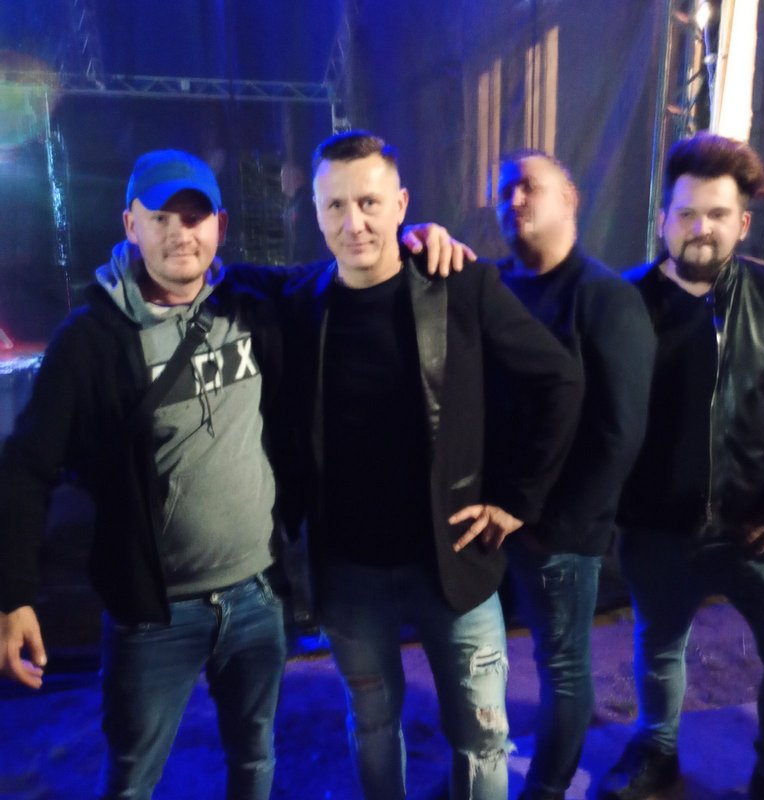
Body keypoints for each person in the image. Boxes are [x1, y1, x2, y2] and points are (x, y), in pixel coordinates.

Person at [0, 147, 465, 800]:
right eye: (160, 217)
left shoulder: (254, 299)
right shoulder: (90, 340)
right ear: (130, 224)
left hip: (257, 595)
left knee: (254, 759)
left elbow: (351, 266)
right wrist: (13, 594)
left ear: (219, 225)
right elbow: (25, 465)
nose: (179, 234)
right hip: (153, 614)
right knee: (132, 777)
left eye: (194, 218)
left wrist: (417, 240)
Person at [277, 130, 584, 800]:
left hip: (454, 563)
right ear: (316, 213)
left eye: (369, 202)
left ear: (401, 204)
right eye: (335, 206)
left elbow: (559, 380)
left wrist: (518, 499)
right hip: (348, 572)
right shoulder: (300, 303)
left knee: (481, 738)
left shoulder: (460, 285)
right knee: (372, 725)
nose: (353, 222)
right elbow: (214, 274)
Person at [599, 132, 764, 800]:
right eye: (686, 213)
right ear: (662, 218)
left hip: (759, 528)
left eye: (717, 214)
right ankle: (656, 750)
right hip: (656, 528)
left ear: (743, 223)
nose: (700, 228)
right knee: (658, 646)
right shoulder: (619, 302)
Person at [492, 150, 655, 800]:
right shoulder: (493, 286)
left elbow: (619, 431)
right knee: (485, 659)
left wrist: (555, 525)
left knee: (561, 668)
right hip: (488, 521)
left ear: (570, 199)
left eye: (529, 187)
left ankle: (547, 789)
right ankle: (480, 770)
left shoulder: (606, 298)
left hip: (555, 534)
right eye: (504, 192)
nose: (514, 201)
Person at [281, 160, 328, 264]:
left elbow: (305, 236)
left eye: (285, 176)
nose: (282, 181)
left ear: (297, 178)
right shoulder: (294, 203)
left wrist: (299, 261)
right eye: (282, 177)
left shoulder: (306, 203)